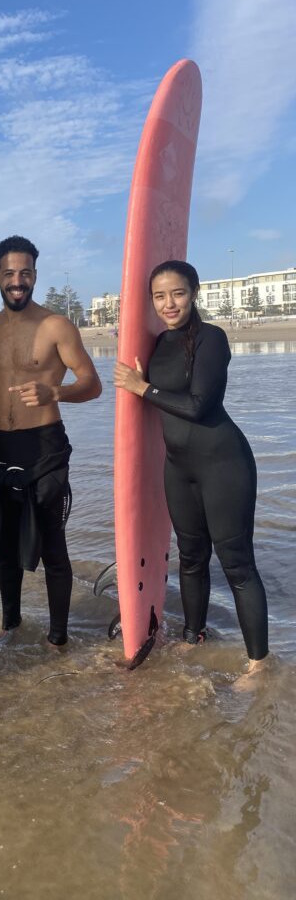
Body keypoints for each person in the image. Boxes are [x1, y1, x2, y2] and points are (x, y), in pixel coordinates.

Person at [113, 260, 268, 677]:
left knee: (236, 564)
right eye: (159, 296)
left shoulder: (212, 339)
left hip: (223, 464)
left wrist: (142, 387)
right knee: (191, 558)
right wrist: (142, 383)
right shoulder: (160, 343)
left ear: (194, 292)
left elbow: (200, 406)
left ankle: (258, 664)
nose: (169, 303)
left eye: (177, 293)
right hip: (178, 467)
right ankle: (193, 635)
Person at [0, 236, 102, 645]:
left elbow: (92, 384)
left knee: (52, 548)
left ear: (34, 275)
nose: (18, 281)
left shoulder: (55, 326)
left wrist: (56, 392)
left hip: (44, 447)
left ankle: (58, 639)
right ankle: (11, 628)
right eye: (9, 273)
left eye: (25, 273)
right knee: (3, 546)